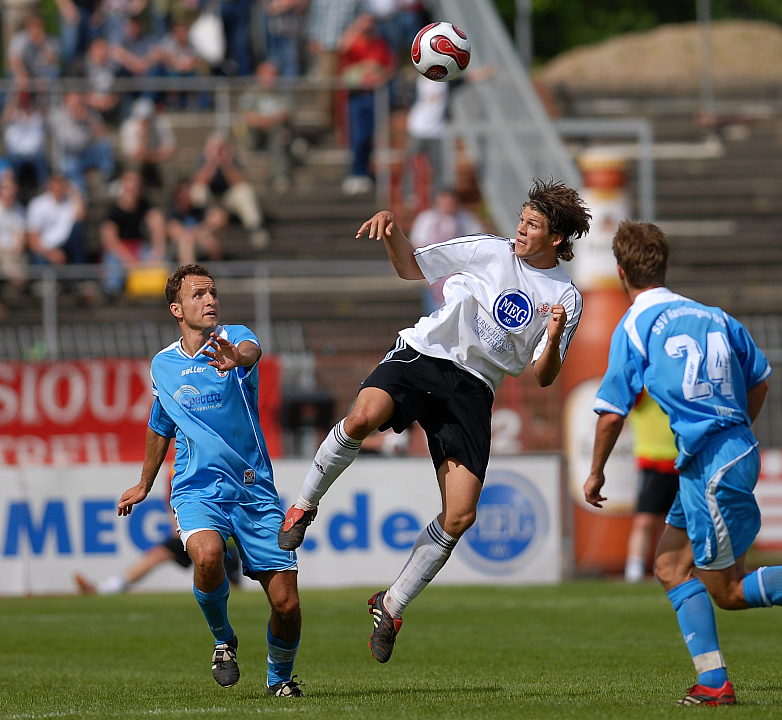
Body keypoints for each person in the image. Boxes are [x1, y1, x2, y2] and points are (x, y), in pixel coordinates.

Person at [278, 178, 591, 663]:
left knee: (461, 514)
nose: (521, 230)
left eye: (533, 225)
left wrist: (551, 334)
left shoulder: (567, 298)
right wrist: (391, 231)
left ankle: (392, 603)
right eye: (523, 220)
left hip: (474, 389)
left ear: (556, 239)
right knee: (363, 417)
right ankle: (302, 505)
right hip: (426, 353)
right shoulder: (488, 250)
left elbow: (546, 376)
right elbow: (410, 266)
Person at [583, 221, 774, 707]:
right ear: (664, 266)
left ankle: (716, 686)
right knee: (669, 564)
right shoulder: (714, 315)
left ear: (621, 271)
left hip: (710, 464)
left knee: (727, 592)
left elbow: (610, 414)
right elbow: (760, 382)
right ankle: (713, 682)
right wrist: (735, 432)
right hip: (725, 456)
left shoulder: (635, 325)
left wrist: (596, 470)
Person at [115, 263, 304, 697]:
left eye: (213, 292)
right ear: (177, 309)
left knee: (286, 604)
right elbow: (160, 422)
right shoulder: (163, 365)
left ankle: (280, 680)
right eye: (199, 294)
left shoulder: (234, 338)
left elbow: (252, 352)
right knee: (206, 555)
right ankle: (224, 639)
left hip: (253, 490)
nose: (211, 300)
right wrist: (144, 484)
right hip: (197, 488)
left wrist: (236, 359)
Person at [624, 389, 680, 583]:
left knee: (674, 524)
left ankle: (666, 567)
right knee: (644, 520)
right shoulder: (642, 386)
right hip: (652, 463)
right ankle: (634, 569)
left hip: (682, 462)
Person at [408, 187, 484, 313]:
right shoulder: (426, 219)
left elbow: (479, 244)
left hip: (459, 275)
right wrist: (422, 274)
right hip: (433, 275)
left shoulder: (466, 219)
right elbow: (417, 246)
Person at [190, 132, 269, 249]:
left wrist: (226, 163)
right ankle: (200, 224)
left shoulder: (233, 159)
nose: (218, 151)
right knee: (197, 190)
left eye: (221, 148)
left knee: (244, 191)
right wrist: (212, 162)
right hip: (210, 200)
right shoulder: (202, 159)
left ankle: (255, 229)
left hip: (228, 199)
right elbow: (199, 181)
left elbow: (240, 182)